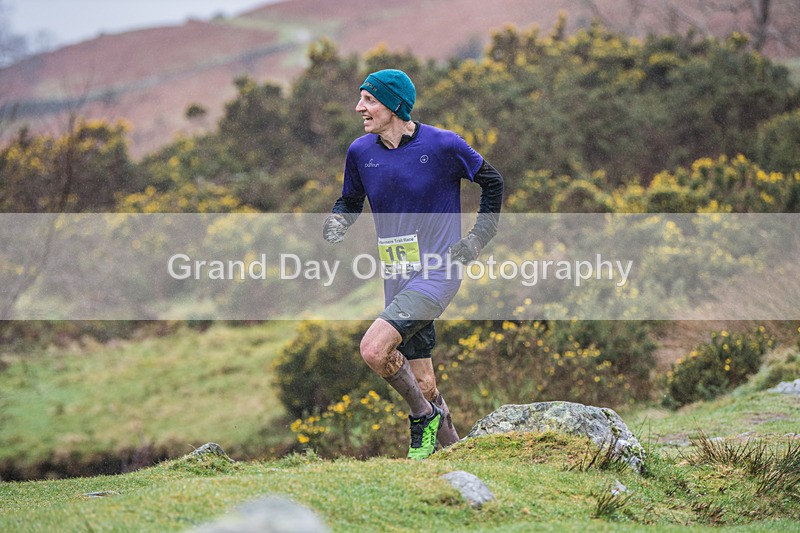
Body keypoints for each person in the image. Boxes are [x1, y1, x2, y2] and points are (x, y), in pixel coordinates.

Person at [323, 69, 503, 459]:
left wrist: (477, 238)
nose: (359, 107)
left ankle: (423, 417)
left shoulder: (443, 144)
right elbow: (350, 200)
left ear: (394, 105)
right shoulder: (360, 153)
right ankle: (460, 456)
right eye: (361, 98)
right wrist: (339, 220)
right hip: (397, 275)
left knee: (374, 349)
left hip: (438, 272)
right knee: (423, 383)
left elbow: (493, 182)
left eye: (369, 100)